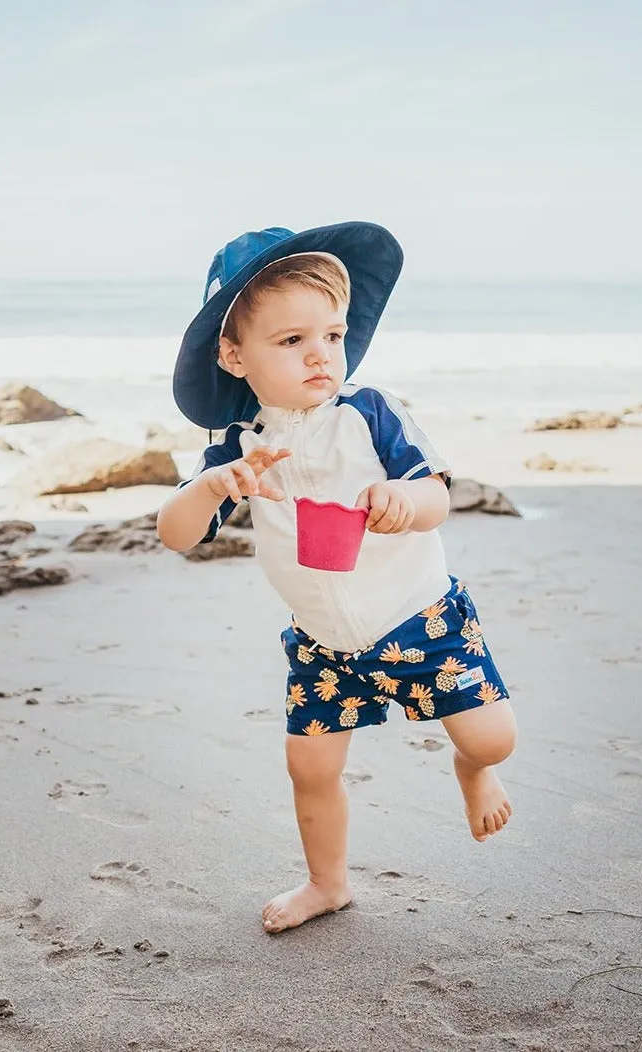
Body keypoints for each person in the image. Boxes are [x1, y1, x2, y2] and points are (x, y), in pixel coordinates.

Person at [157, 222, 517, 933]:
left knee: (491, 740)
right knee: (310, 769)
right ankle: (327, 883)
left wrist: (403, 503)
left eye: (332, 334)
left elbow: (439, 494)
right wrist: (211, 488)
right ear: (234, 355)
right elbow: (177, 535)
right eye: (291, 342)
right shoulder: (239, 446)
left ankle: (472, 771)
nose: (320, 355)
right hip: (322, 644)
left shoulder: (369, 413)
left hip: (420, 619)